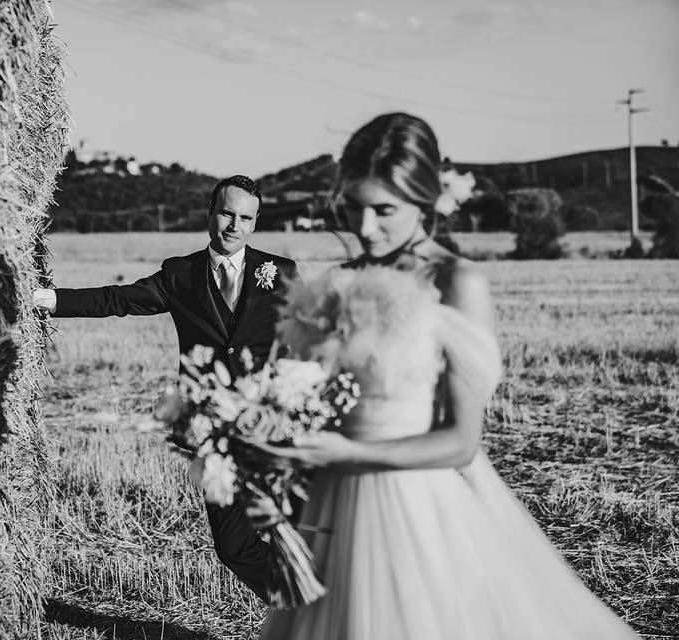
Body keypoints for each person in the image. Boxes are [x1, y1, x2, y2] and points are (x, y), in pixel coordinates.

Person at [243, 113, 639, 639]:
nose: (365, 229)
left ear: (425, 202)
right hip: (329, 501)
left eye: (385, 211)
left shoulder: (456, 282)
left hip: (411, 504)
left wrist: (347, 454)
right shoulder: (336, 282)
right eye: (354, 208)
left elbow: (460, 443)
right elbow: (301, 395)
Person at [33, 174, 298, 601]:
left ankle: (317, 618)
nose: (234, 225)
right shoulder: (182, 274)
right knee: (232, 548)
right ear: (211, 214)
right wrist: (51, 300)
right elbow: (119, 300)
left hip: (271, 427)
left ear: (255, 222)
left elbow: (305, 336)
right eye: (227, 213)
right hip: (213, 432)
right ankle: (298, 604)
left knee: (294, 531)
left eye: (245, 218)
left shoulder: (281, 272)